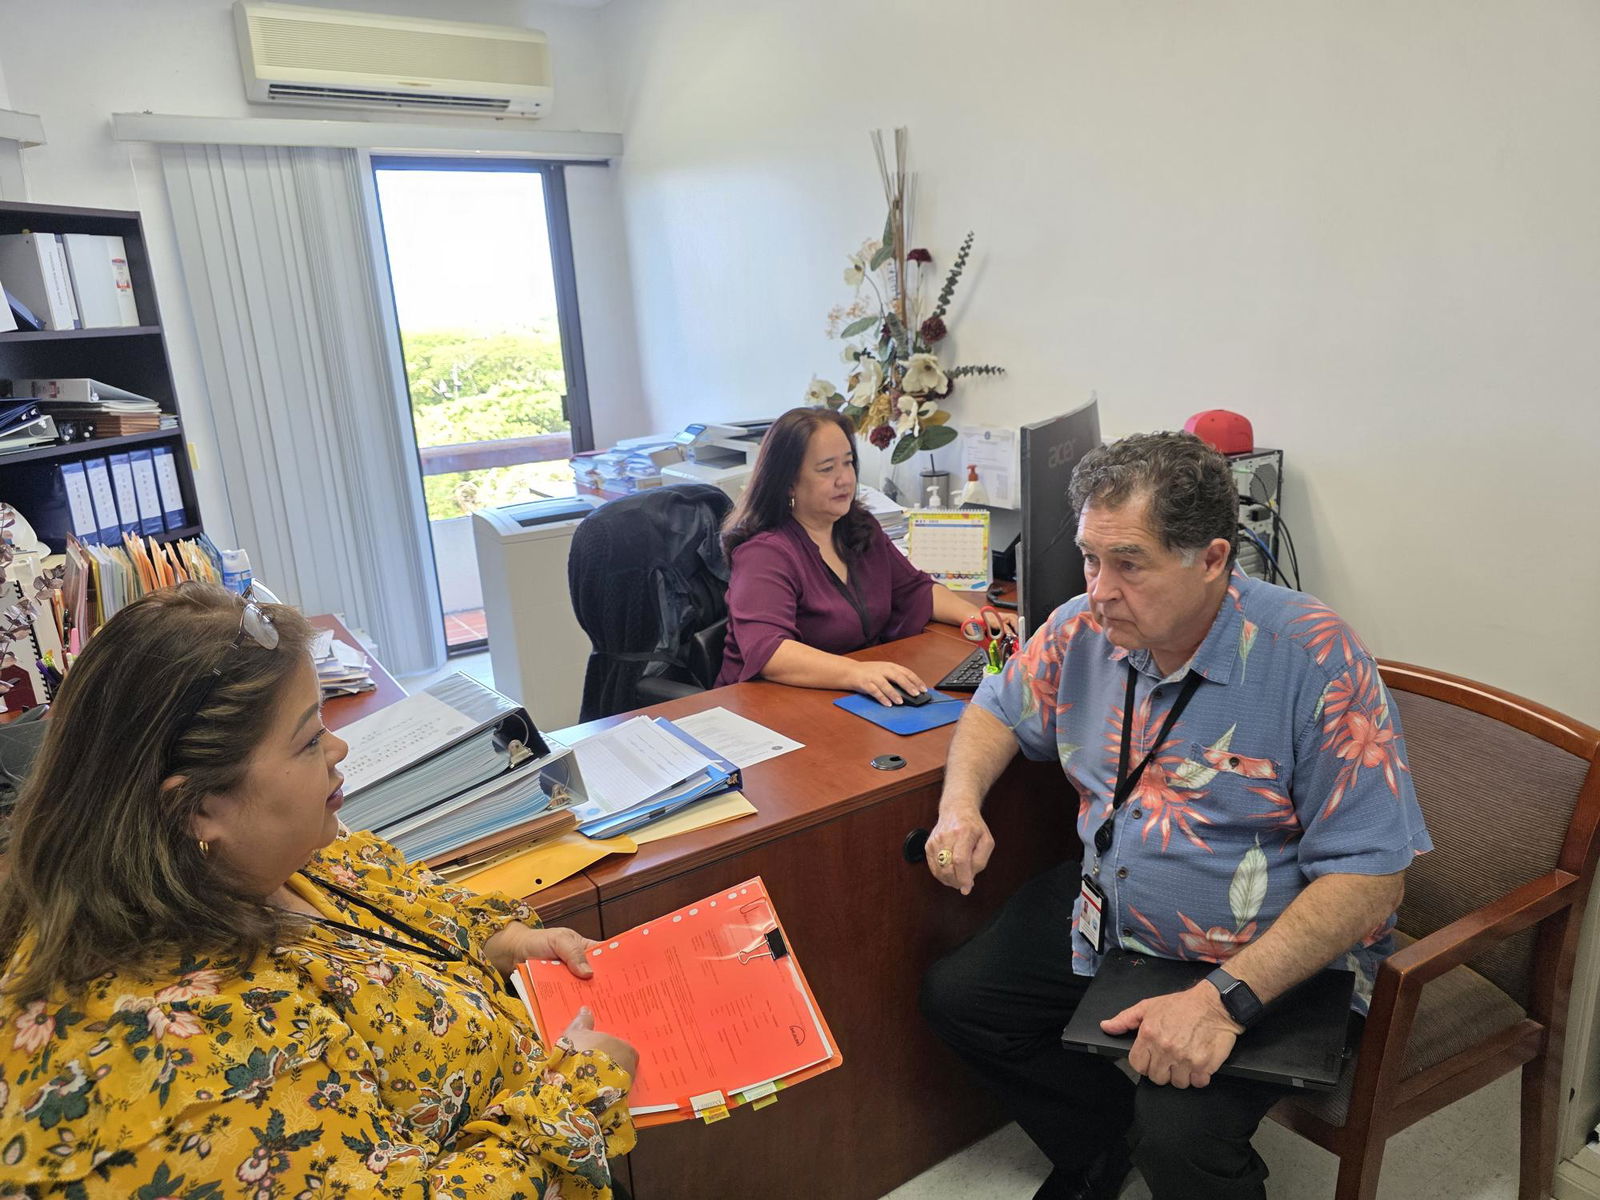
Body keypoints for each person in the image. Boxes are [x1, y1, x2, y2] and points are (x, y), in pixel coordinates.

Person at [917, 431, 1430, 1200]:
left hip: (1261, 950)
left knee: (1180, 1136)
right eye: (1091, 558)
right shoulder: (1081, 628)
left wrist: (1222, 1002)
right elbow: (996, 708)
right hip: (1113, 908)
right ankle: (1098, 1146)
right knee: (961, 999)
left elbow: (1373, 875)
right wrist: (960, 807)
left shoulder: (1313, 657)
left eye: (1129, 564)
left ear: (1214, 559)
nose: (1099, 589)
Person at [0, 583, 638, 1198]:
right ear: (196, 808)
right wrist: (580, 1093)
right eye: (308, 739)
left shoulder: (260, 859)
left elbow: (396, 899)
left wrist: (503, 938)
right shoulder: (191, 1048)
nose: (338, 745)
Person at [716, 406, 1011, 703]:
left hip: (842, 695)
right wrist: (857, 673)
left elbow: (914, 590)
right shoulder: (764, 553)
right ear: (788, 481)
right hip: (768, 705)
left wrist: (982, 619)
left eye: (848, 463)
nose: (845, 479)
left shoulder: (858, 528)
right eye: (827, 469)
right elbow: (770, 652)